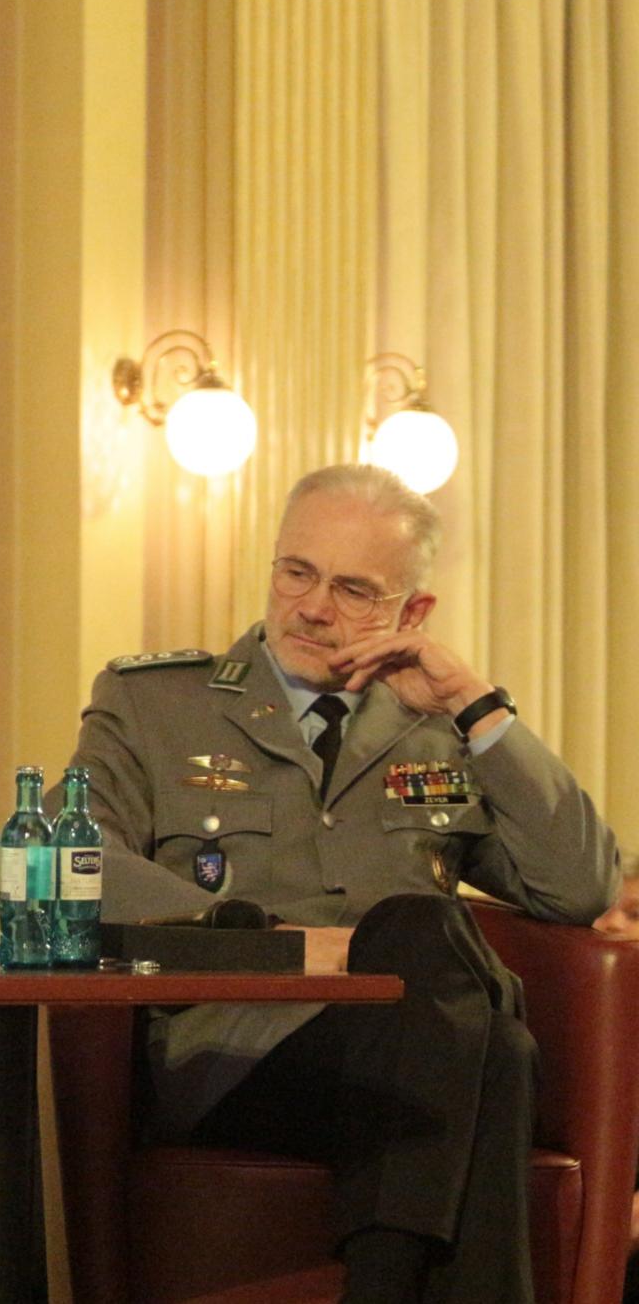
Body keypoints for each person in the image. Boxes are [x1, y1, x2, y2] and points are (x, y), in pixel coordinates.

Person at [73, 463, 620, 1302]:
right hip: (237, 1053)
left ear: (413, 612)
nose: (314, 607)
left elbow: (581, 885)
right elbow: (78, 863)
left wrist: (478, 707)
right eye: (297, 572)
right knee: (481, 1029)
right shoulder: (156, 703)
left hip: (418, 1048)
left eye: (354, 589)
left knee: (451, 992)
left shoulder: (439, 730)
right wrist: (273, 944)